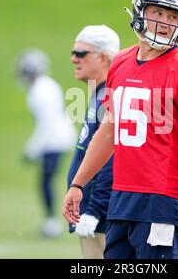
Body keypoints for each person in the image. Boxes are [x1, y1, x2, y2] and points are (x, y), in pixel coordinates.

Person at [63, 0, 178, 259]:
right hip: (121, 200)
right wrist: (78, 183)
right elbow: (108, 132)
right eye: (157, 12)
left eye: (172, 16)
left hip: (165, 202)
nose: (164, 22)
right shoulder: (121, 62)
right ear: (139, 12)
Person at [67, 25, 120, 258]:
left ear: (104, 57)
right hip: (90, 211)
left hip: (98, 216)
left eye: (81, 53)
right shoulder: (98, 94)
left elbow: (111, 157)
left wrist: (95, 209)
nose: (73, 59)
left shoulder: (107, 97)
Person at [17, 48, 76, 238]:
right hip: (56, 139)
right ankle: (52, 222)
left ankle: (52, 224)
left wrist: (31, 150)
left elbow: (46, 124)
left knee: (46, 182)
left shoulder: (40, 91)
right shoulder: (44, 87)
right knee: (46, 181)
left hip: (55, 141)